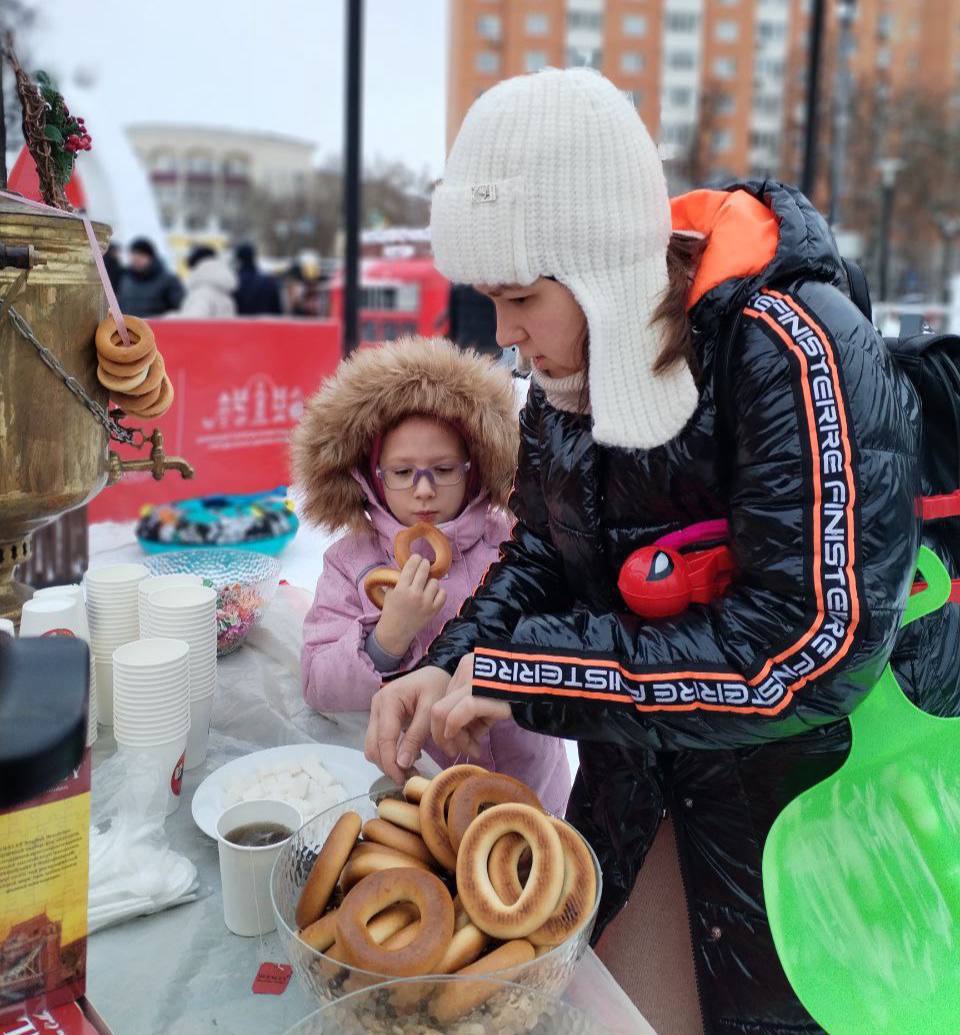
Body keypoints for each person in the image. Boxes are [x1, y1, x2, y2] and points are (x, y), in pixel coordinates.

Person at [362, 69, 960, 1033]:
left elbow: (810, 648)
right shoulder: (572, 371)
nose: (506, 336)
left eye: (520, 298)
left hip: (816, 829)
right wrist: (451, 657)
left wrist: (527, 673)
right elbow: (543, 550)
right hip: (639, 800)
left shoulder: (790, 347)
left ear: (601, 267)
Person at [291, 336, 571, 815]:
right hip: (423, 791)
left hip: (534, 781)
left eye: (443, 469)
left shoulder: (513, 544)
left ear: (474, 469)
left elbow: (567, 636)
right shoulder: (352, 562)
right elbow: (318, 684)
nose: (424, 491)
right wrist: (387, 637)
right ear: (373, 476)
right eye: (403, 473)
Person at [117, 237, 184, 317]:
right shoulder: (125, 279)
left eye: (141, 255)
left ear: (151, 257)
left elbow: (180, 309)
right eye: (134, 256)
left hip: (157, 324)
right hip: (129, 324)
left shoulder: (169, 281)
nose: (137, 259)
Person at [178, 245, 238, 318]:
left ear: (196, 268)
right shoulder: (224, 291)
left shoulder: (201, 294)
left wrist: (169, 318)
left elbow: (192, 321)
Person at [233, 242, 282, 316]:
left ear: (238, 259)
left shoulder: (233, 282)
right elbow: (277, 311)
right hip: (265, 321)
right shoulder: (268, 281)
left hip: (239, 322)